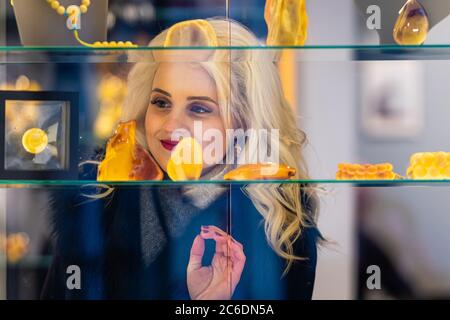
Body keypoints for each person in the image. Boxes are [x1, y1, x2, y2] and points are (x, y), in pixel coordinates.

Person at [42, 18, 321, 300]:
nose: (171, 125)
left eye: (199, 108)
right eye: (161, 103)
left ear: (245, 121)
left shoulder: (280, 225)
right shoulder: (95, 200)